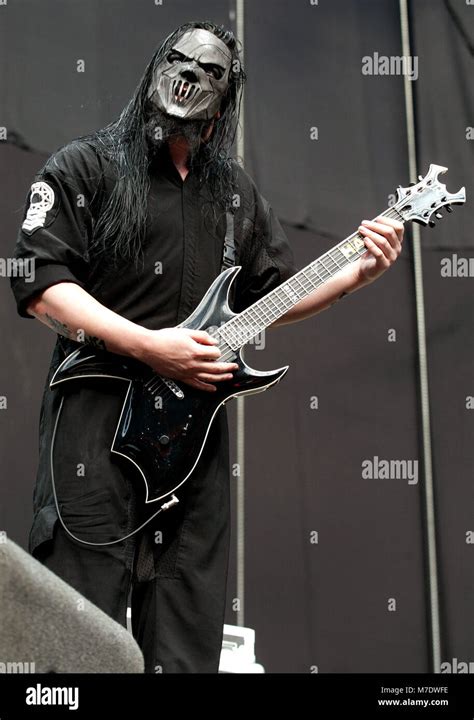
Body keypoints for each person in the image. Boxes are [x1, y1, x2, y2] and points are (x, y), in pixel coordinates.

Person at [10, 21, 404, 673]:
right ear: (155, 69)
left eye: (210, 70)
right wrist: (149, 346)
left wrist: (357, 274)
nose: (190, 74)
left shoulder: (232, 195)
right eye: (178, 60)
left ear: (226, 99)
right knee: (79, 626)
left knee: (186, 624)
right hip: (96, 421)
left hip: (192, 440)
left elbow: (270, 296)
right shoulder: (88, 165)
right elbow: (42, 283)